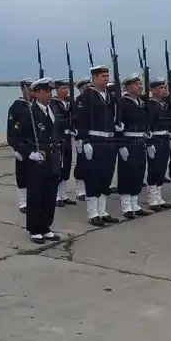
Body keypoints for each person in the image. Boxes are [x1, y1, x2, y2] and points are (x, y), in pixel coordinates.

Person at [9, 78, 63, 244]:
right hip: (37, 159)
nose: (49, 95)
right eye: (46, 91)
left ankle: (46, 227)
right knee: (36, 195)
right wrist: (28, 153)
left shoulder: (52, 110)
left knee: (50, 195)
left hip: (52, 158)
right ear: (37, 92)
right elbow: (15, 137)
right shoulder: (29, 113)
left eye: (50, 91)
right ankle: (34, 229)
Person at [74, 65, 120, 226]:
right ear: (94, 78)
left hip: (109, 141)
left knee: (106, 176)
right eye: (103, 76)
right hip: (94, 140)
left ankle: (103, 211)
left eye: (107, 76)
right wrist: (84, 141)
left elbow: (114, 115)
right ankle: (93, 213)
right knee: (93, 177)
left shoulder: (110, 95)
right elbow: (80, 120)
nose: (106, 79)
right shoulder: (87, 96)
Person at [116, 74, 152, 219]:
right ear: (128, 87)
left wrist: (147, 133)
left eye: (140, 84)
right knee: (127, 174)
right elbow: (117, 126)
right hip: (128, 142)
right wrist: (121, 145)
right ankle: (126, 206)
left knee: (139, 172)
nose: (139, 86)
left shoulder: (141, 103)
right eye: (136, 84)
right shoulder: (123, 103)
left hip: (140, 142)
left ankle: (135, 204)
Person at [145, 78, 171, 210]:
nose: (164, 90)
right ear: (153, 90)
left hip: (164, 138)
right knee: (154, 169)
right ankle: (152, 199)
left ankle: (158, 197)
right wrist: (149, 143)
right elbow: (148, 126)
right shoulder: (149, 105)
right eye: (161, 87)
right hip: (155, 139)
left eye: (164, 87)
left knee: (162, 168)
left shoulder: (163, 104)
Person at [49, 79, 77, 207]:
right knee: (57, 167)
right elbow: (57, 120)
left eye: (67, 87)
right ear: (57, 89)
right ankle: (55, 196)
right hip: (58, 137)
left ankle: (63, 195)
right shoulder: (53, 103)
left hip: (67, 137)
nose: (66, 90)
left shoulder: (68, 103)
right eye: (63, 87)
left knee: (66, 166)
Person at [7, 80, 33, 213]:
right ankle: (23, 202)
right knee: (22, 175)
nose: (30, 91)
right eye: (28, 89)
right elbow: (11, 130)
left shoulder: (35, 106)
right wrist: (16, 148)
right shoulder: (16, 107)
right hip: (22, 146)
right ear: (23, 90)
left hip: (34, 146)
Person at [72, 78, 91, 202]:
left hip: (94, 136)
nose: (87, 89)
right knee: (82, 164)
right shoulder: (78, 102)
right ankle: (80, 190)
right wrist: (78, 138)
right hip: (82, 137)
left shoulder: (94, 99)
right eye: (85, 88)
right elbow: (75, 121)